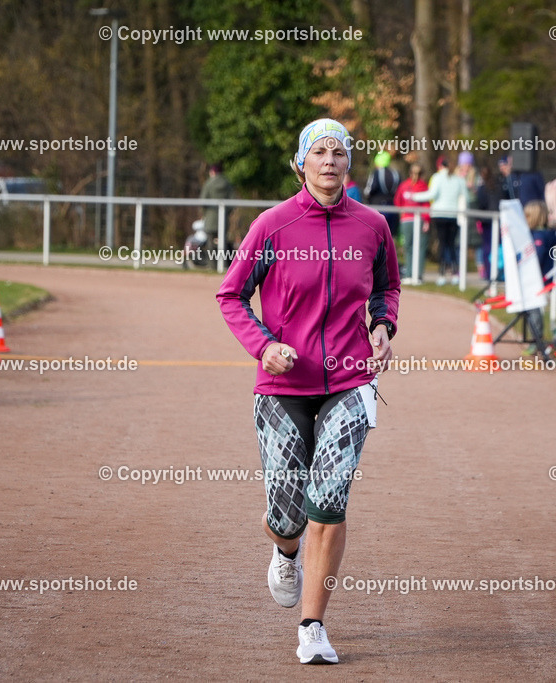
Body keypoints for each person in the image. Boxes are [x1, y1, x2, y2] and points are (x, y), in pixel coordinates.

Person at [217, 118, 400, 666]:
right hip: (282, 383)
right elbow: (231, 296)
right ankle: (284, 550)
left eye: (339, 152)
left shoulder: (372, 226)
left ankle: (313, 626)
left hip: (350, 379)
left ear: (349, 163)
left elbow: (386, 286)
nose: (329, 160)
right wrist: (262, 345)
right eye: (319, 152)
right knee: (288, 510)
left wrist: (383, 325)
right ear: (301, 162)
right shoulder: (272, 225)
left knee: (330, 500)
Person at [409, 157, 468, 286]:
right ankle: (454, 273)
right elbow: (465, 196)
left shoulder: (437, 177)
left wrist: (413, 196)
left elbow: (432, 194)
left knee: (442, 244)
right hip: (454, 214)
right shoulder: (459, 179)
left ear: (441, 166)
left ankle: (442, 273)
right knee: (451, 244)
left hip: (440, 214)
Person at [394, 162, 429, 283]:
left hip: (419, 220)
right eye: (414, 172)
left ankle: (418, 275)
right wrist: (402, 213)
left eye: (418, 173)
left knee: (419, 247)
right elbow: (398, 201)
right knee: (407, 246)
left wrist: (426, 220)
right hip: (406, 220)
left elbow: (426, 204)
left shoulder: (423, 186)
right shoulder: (404, 186)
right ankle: (408, 274)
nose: (416, 175)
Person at [363, 151, 400, 236]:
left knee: (377, 235)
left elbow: (370, 188)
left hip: (378, 206)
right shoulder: (396, 174)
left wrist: (366, 197)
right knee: (390, 236)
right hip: (393, 207)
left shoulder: (376, 173)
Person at [199, 163, 234, 254]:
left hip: (211, 219)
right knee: (223, 242)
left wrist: (204, 214)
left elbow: (203, 201)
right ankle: (225, 264)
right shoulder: (227, 183)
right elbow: (232, 201)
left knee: (211, 243)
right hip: (224, 219)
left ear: (212, 172)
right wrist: (227, 213)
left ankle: (212, 265)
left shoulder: (208, 183)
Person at [475, 165, 502, 280]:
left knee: (487, 248)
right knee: (498, 247)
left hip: (487, 221)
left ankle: (489, 272)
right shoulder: (500, 186)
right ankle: (498, 272)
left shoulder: (482, 188)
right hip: (499, 220)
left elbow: (480, 204)